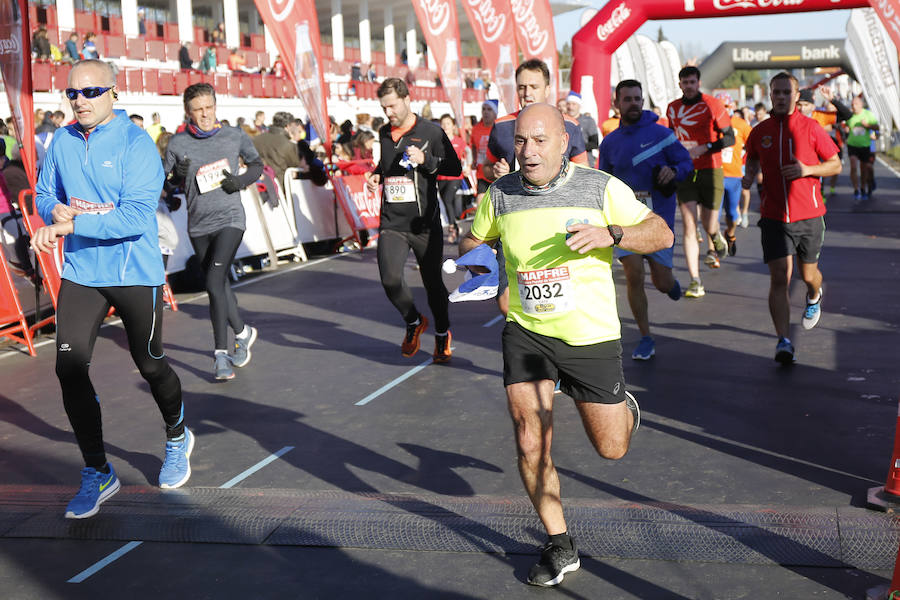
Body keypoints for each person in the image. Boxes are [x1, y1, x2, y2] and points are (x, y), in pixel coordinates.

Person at [460, 103, 672, 587]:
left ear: (563, 143)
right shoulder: (501, 193)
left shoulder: (598, 187)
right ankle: (560, 544)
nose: (528, 152)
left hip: (588, 336)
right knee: (529, 439)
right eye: (520, 142)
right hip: (527, 331)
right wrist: (485, 266)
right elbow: (471, 244)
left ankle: (623, 409)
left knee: (611, 449)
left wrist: (611, 233)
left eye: (538, 141)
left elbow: (660, 231)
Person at [31, 59, 192, 519]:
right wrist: (55, 209)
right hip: (83, 271)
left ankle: (177, 435)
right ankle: (98, 470)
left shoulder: (136, 144)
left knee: (150, 363)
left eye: (90, 92)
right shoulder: (61, 140)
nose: (79, 101)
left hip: (133, 270)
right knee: (68, 366)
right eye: (72, 94)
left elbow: (134, 217)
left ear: (113, 93)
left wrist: (69, 225)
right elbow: (44, 194)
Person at [163, 83, 263, 380]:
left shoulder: (234, 136)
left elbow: (257, 165)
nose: (205, 114)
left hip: (231, 218)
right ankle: (243, 332)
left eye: (209, 107)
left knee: (213, 281)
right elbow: (165, 183)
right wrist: (176, 178)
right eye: (198, 109)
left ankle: (220, 354)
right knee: (218, 284)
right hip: (198, 224)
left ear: (215, 106)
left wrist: (241, 180)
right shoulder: (178, 144)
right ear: (188, 112)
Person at [741, 72, 840, 365]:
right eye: (777, 93)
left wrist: (807, 170)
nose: (782, 97)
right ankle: (783, 341)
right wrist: (748, 177)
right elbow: (753, 158)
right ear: (771, 95)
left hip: (809, 216)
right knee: (779, 279)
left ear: (797, 96)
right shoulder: (760, 131)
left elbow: (835, 164)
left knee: (808, 275)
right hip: (773, 216)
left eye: (787, 92)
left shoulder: (811, 128)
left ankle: (813, 294)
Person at [365, 78, 461, 362]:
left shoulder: (431, 131)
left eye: (392, 106)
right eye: (384, 108)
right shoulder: (384, 132)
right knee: (391, 279)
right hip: (392, 222)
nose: (388, 113)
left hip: (424, 225)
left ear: (408, 99)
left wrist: (426, 159)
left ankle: (442, 333)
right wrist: (376, 175)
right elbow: (385, 165)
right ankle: (413, 321)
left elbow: (454, 168)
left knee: (433, 284)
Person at [483, 58, 588, 317]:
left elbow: (584, 173)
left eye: (533, 86)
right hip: (513, 218)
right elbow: (485, 167)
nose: (526, 93)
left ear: (548, 89)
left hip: (556, 220)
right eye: (521, 87)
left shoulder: (569, 126)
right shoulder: (501, 125)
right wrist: (495, 171)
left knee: (559, 294)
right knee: (506, 301)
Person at [598, 80, 693, 360]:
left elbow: (687, 165)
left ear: (643, 101)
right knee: (633, 275)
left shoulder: (662, 134)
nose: (633, 104)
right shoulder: (610, 142)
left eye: (637, 98)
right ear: (617, 104)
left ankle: (671, 285)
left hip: (658, 219)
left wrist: (674, 171)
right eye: (627, 99)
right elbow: (603, 181)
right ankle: (645, 337)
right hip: (626, 220)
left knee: (662, 283)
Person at [666, 65, 735, 298]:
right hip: (685, 170)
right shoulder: (672, 108)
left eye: (692, 82)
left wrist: (705, 147)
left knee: (708, 223)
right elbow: (671, 137)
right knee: (688, 224)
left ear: (698, 82)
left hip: (711, 169)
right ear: (680, 85)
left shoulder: (712, 104)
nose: (689, 86)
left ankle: (716, 236)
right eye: (685, 83)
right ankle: (695, 281)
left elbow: (730, 138)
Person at [715, 92, 751, 256]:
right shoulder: (711, 124)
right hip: (715, 175)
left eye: (727, 107)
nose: (724, 110)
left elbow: (754, 147)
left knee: (732, 214)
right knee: (713, 216)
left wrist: (750, 168)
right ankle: (713, 250)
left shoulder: (741, 124)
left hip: (734, 176)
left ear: (733, 107)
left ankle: (729, 234)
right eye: (721, 107)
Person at [436, 114, 467, 243]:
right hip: (441, 177)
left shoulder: (459, 141)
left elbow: (466, 155)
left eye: (448, 124)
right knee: (447, 202)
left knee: (448, 200)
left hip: (455, 176)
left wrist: (467, 165)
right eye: (443, 124)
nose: (445, 126)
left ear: (453, 126)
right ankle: (455, 224)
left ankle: (451, 228)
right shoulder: (437, 141)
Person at [252, 111, 302, 186]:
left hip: (259, 186)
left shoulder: (256, 139)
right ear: (288, 126)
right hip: (282, 187)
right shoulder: (287, 144)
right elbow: (297, 165)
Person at [845, 96, 879, 201]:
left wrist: (867, 125)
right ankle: (856, 189)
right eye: (852, 105)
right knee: (853, 165)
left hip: (865, 145)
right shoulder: (849, 115)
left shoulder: (868, 114)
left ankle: (863, 187)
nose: (853, 107)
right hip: (852, 145)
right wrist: (846, 130)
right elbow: (845, 126)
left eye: (855, 104)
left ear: (861, 105)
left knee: (865, 169)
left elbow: (877, 127)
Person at [470, 99, 498, 204]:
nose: (486, 112)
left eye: (489, 109)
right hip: (481, 173)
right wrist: (474, 160)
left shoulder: (498, 128)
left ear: (495, 112)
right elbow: (473, 145)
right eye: (484, 109)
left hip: (495, 172)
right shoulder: (476, 128)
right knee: (480, 202)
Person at [565, 91, 599, 168]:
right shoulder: (562, 120)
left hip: (585, 164)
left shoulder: (588, 121)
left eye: (574, 104)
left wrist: (574, 148)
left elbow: (595, 143)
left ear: (579, 105)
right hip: (566, 164)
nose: (571, 107)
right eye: (568, 104)